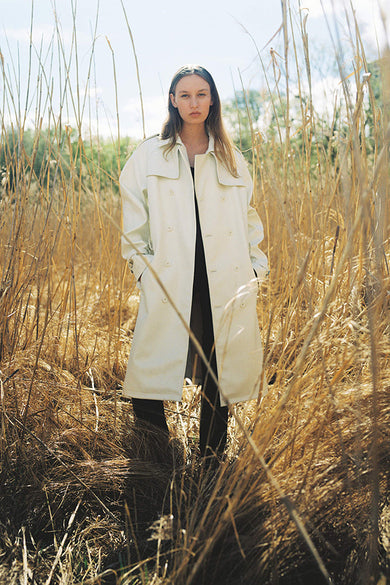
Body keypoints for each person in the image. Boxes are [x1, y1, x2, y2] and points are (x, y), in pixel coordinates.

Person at [119, 64, 268, 462]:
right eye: (184, 95)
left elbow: (250, 218)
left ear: (213, 99)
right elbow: (134, 225)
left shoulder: (231, 157)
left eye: (201, 94)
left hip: (225, 275)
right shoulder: (149, 154)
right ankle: (154, 459)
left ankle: (212, 457)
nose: (193, 102)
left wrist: (255, 269)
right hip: (169, 276)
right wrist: (143, 271)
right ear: (172, 101)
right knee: (149, 365)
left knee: (219, 363)